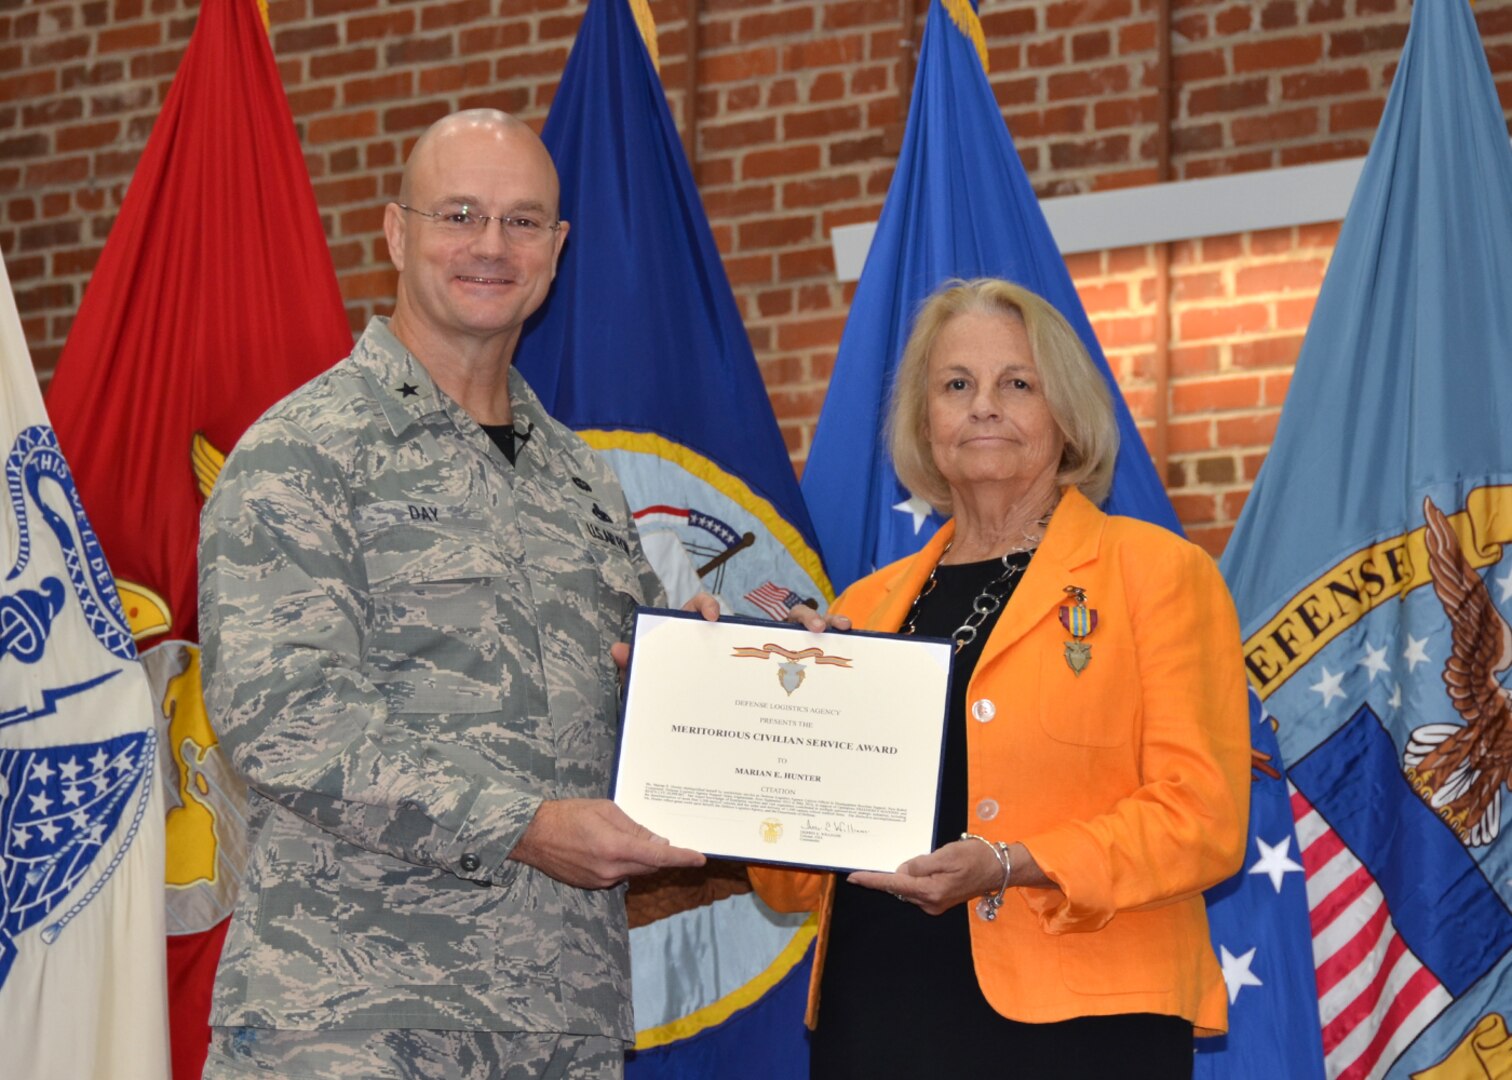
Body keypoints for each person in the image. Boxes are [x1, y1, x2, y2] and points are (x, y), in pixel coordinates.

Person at [198, 109, 711, 1080]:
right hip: (353, 1019)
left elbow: (638, 704)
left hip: (561, 1019)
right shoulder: (302, 455)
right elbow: (288, 724)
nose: (490, 246)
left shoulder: (581, 483)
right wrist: (525, 824)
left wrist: (733, 684)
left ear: (557, 251)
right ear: (397, 232)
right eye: (460, 214)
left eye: (523, 223)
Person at [756, 278, 1251, 1079]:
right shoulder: (861, 608)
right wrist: (749, 711)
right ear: (926, 421)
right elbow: (785, 883)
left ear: (1067, 414)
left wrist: (1013, 861)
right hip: (876, 1013)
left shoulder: (1157, 574)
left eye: (1016, 383)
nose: (984, 405)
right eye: (957, 385)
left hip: (1085, 1028)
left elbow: (1203, 817)